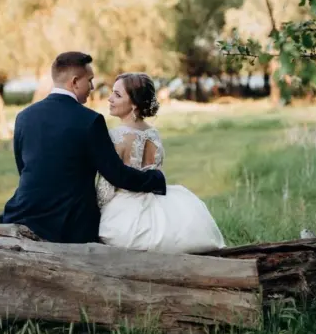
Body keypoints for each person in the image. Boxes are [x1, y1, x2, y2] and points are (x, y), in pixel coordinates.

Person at [0, 52, 166, 243]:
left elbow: (24, 167)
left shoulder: (24, 116)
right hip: (71, 224)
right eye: (90, 80)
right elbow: (116, 174)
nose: (93, 87)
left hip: (23, 214)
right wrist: (155, 179)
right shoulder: (90, 121)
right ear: (75, 82)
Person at [96, 72, 227, 253]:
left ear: (134, 104)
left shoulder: (116, 137)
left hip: (124, 209)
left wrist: (97, 212)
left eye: (117, 95)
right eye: (112, 92)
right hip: (156, 201)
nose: (110, 99)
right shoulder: (154, 134)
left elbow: (106, 189)